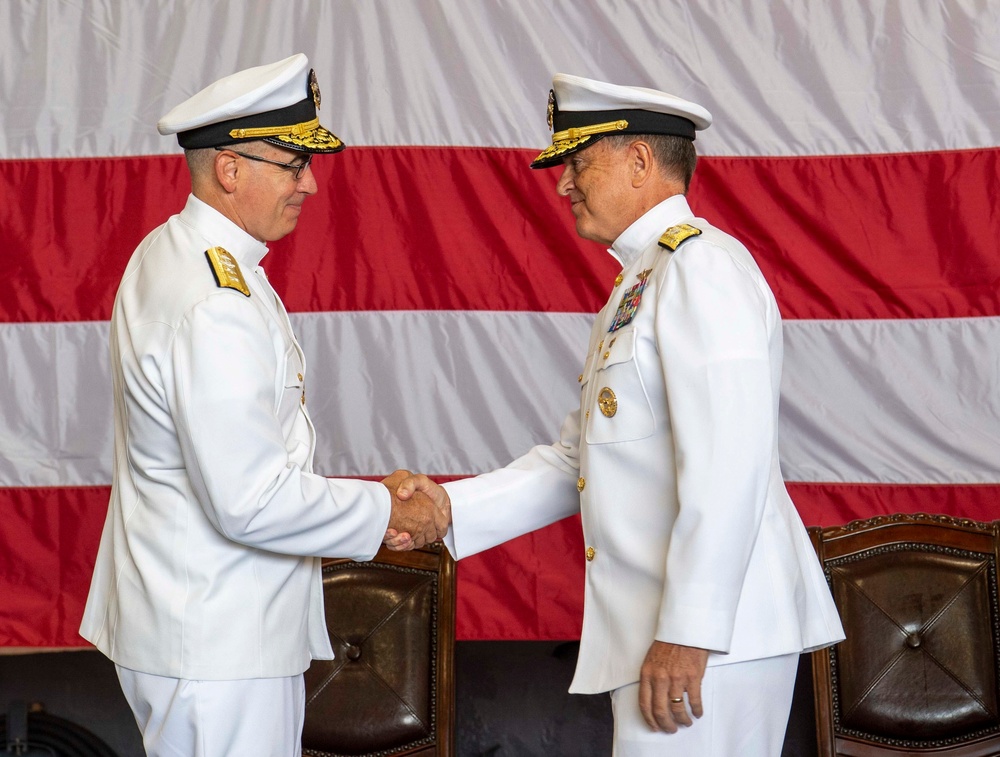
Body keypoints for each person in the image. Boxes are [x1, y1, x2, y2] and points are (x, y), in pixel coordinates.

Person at [390, 73, 845, 756]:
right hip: (672, 633)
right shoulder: (641, 283)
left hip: (712, 638)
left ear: (639, 162)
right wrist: (448, 508)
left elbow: (730, 465)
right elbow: (579, 459)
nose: (562, 184)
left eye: (578, 163)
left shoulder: (701, 270)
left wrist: (689, 629)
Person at [79, 54, 447, 757]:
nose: (309, 183)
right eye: (292, 163)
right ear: (230, 170)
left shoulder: (175, 253)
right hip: (217, 645)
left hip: (201, 626)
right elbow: (249, 499)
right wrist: (384, 510)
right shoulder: (216, 299)